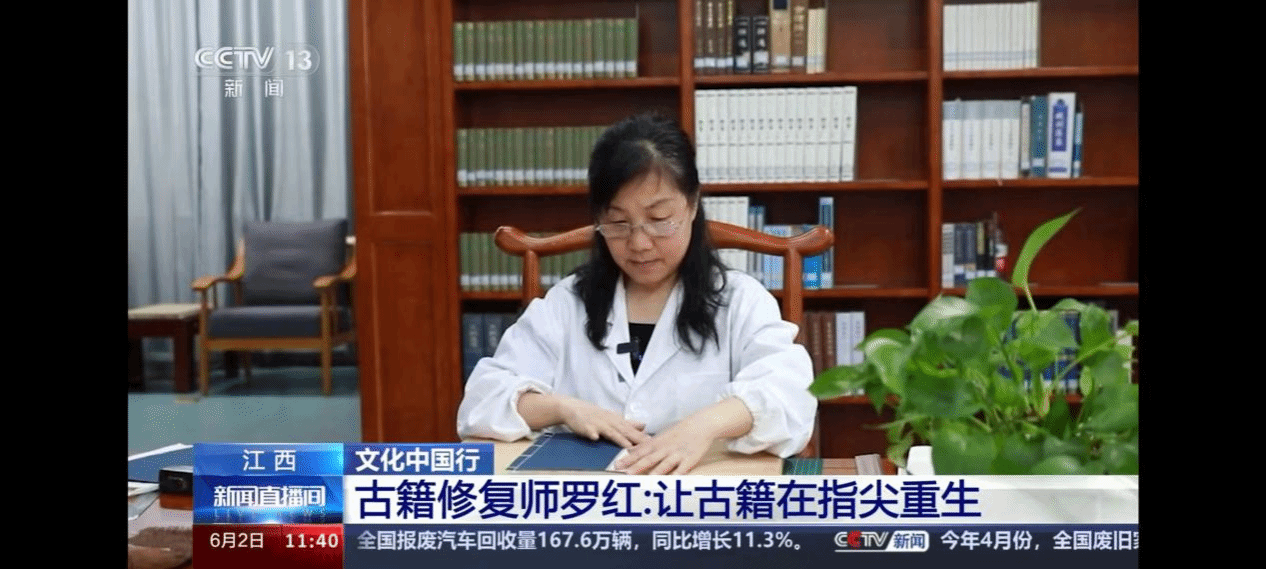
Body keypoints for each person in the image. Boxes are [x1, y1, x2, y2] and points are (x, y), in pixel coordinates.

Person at [456, 112, 816, 474]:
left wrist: (702, 427)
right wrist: (563, 408)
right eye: (618, 223)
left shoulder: (739, 300)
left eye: (659, 220)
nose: (639, 243)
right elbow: (482, 402)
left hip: (698, 495)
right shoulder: (567, 304)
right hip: (591, 501)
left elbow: (790, 395)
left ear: (692, 205)